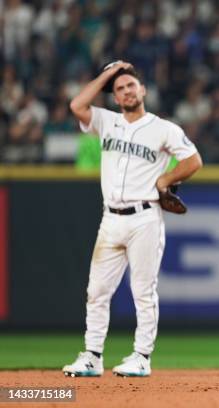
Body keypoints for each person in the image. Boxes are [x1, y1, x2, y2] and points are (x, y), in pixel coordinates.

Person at [62, 61, 202, 377]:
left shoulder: (164, 128)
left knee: (143, 290)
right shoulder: (106, 121)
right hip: (110, 219)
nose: (126, 91)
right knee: (96, 291)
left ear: (143, 90)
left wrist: (166, 180)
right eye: (120, 88)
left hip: (145, 218)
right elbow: (77, 104)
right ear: (115, 97)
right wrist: (107, 74)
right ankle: (92, 356)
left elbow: (194, 161)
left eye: (130, 86)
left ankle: (141, 356)